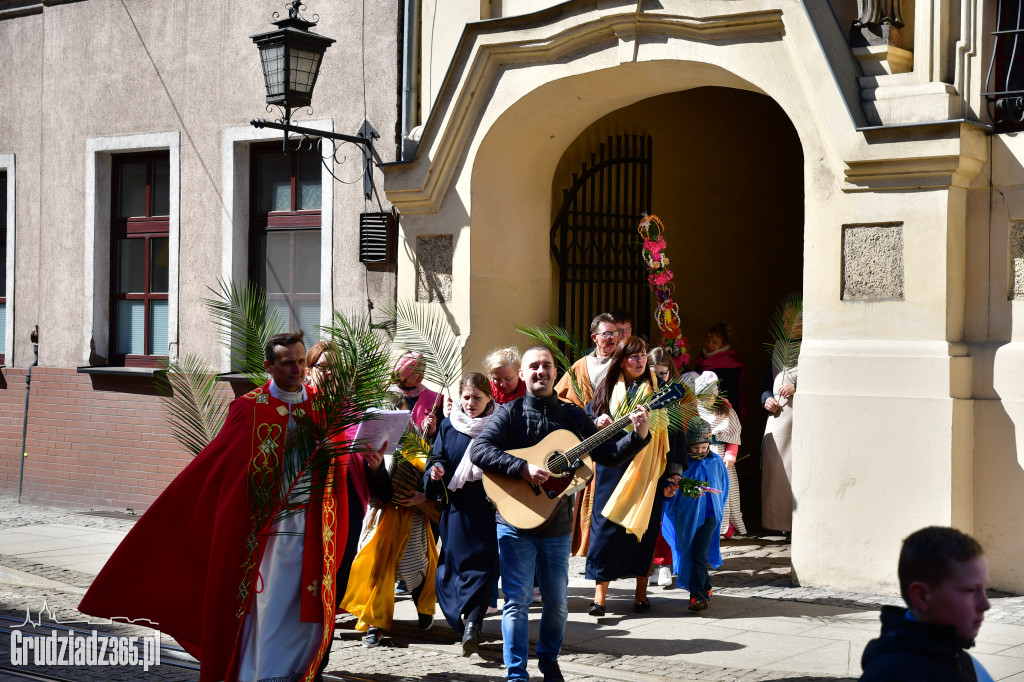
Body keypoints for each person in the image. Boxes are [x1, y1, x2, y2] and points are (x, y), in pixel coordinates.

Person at [80, 331, 378, 682]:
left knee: (302, 609)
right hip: (264, 533)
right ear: (269, 367)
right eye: (288, 363)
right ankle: (257, 673)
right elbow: (228, 472)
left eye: (301, 361)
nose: (298, 369)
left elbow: (335, 466)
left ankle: (296, 673)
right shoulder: (249, 408)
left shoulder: (322, 408)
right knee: (265, 606)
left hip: (312, 530)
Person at [471, 345, 651, 682]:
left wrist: (639, 435)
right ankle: (516, 674)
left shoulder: (572, 416)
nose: (541, 371)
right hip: (514, 521)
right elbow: (479, 450)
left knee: (557, 604)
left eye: (547, 366)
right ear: (523, 375)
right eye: (534, 367)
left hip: (557, 522)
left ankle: (549, 661)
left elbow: (609, 455)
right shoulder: (508, 413)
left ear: (556, 373)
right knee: (516, 601)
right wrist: (521, 467)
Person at [584, 336, 671, 616]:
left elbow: (675, 435)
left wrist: (675, 474)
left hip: (649, 470)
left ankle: (641, 594)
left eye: (643, 355)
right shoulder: (606, 390)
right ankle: (599, 599)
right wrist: (598, 422)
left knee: (642, 533)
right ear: (621, 360)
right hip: (612, 469)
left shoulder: (659, 392)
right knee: (605, 533)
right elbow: (585, 421)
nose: (639, 360)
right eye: (633, 356)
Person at [424, 373, 500, 655]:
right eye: (466, 397)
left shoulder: (501, 424)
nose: (470, 403)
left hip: (490, 507)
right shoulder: (449, 425)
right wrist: (436, 472)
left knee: (484, 569)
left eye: (476, 397)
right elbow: (437, 457)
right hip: (457, 509)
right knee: (451, 572)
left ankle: (473, 626)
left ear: (489, 396)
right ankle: (464, 621)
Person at [860, 526, 993, 681]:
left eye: (984, 589)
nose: (985, 604)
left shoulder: (967, 665)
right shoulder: (890, 674)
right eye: (970, 590)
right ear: (922, 596)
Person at [555, 312, 620, 556]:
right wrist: (585, 418)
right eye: (607, 334)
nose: (612, 338)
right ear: (594, 337)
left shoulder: (623, 364)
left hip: (615, 438)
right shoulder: (579, 367)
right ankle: (587, 546)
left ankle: (610, 548)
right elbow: (561, 399)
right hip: (587, 439)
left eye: (615, 333)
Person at [664, 416, 729, 613]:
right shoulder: (681, 465)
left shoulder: (715, 461)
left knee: (698, 555)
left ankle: (698, 595)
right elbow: (672, 491)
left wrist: (718, 510)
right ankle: (706, 587)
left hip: (709, 516)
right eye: (696, 448)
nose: (700, 452)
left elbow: (723, 486)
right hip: (687, 516)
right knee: (689, 553)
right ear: (688, 445)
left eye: (704, 447)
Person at [688, 370, 746, 539]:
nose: (705, 399)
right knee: (702, 493)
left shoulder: (726, 411)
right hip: (698, 457)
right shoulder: (692, 411)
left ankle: (724, 525)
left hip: (720, 457)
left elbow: (734, 436)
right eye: (701, 396)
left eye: (709, 395)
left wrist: (730, 456)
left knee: (723, 493)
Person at [761, 304, 801, 533]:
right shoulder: (778, 347)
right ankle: (779, 524)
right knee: (777, 471)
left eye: (792, 320)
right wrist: (766, 399)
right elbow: (766, 384)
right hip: (778, 417)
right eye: (785, 320)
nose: (787, 325)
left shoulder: (810, 346)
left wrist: (797, 387)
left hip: (800, 419)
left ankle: (796, 525)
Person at [693, 322, 746, 419]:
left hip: (723, 410)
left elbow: (733, 393)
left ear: (724, 344)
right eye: (708, 341)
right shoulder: (701, 360)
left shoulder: (730, 363)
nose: (710, 345)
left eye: (715, 342)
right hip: (701, 409)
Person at [391, 350, 442, 439]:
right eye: (417, 371)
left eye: (423, 371)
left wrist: (432, 429)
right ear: (404, 371)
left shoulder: (435, 399)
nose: (421, 375)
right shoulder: (388, 397)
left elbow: (441, 435)